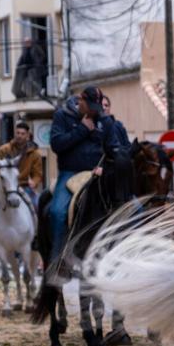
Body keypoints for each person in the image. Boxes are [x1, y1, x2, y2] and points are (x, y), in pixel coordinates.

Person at [48, 86, 112, 259]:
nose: (93, 111)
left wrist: (106, 167)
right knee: (57, 212)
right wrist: (82, 129)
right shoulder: (62, 116)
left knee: (129, 206)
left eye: (96, 108)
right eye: (89, 105)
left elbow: (113, 148)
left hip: (97, 174)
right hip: (70, 173)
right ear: (80, 101)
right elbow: (57, 144)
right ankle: (57, 260)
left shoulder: (105, 121)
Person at [0, 121, 44, 204]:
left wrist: (34, 182)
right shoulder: (4, 149)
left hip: (24, 185)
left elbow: (37, 174)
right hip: (4, 186)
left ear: (28, 135)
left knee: (37, 204)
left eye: (22, 133)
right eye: (17, 133)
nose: (19, 136)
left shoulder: (35, 154)